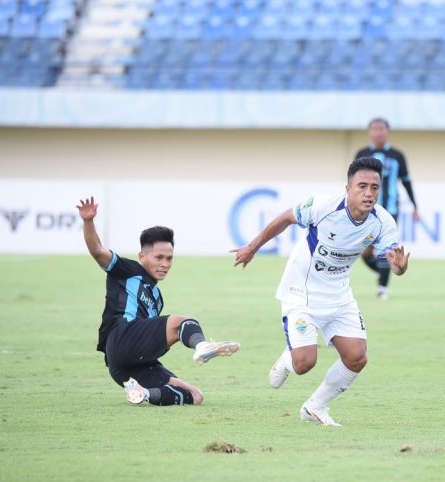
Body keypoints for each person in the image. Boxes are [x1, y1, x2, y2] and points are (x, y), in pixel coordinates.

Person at [231, 157, 410, 426]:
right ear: (347, 188)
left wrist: (399, 268)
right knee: (304, 363)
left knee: (357, 357)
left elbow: (393, 262)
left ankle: (315, 407)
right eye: (362, 186)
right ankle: (290, 356)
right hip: (301, 292)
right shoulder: (323, 206)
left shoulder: (383, 221)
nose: (369, 193)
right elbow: (285, 218)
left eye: (375, 187)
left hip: (339, 295)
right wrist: (252, 247)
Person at [76, 196, 240, 406]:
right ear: (142, 256)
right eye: (159, 257)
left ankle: (143, 394)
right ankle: (201, 346)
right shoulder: (128, 270)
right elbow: (97, 250)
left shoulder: (157, 298)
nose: (165, 264)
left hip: (126, 366)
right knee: (183, 322)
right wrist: (88, 221)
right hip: (121, 338)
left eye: (169, 258)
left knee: (194, 395)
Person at [355, 117, 419, 300]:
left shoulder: (397, 156)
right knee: (365, 251)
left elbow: (406, 182)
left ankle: (382, 289)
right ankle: (382, 272)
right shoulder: (362, 153)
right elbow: (352, 183)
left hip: (390, 210)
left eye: (381, 129)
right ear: (369, 132)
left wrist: (415, 206)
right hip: (365, 210)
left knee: (385, 248)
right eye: (374, 129)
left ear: (387, 131)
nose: (378, 132)